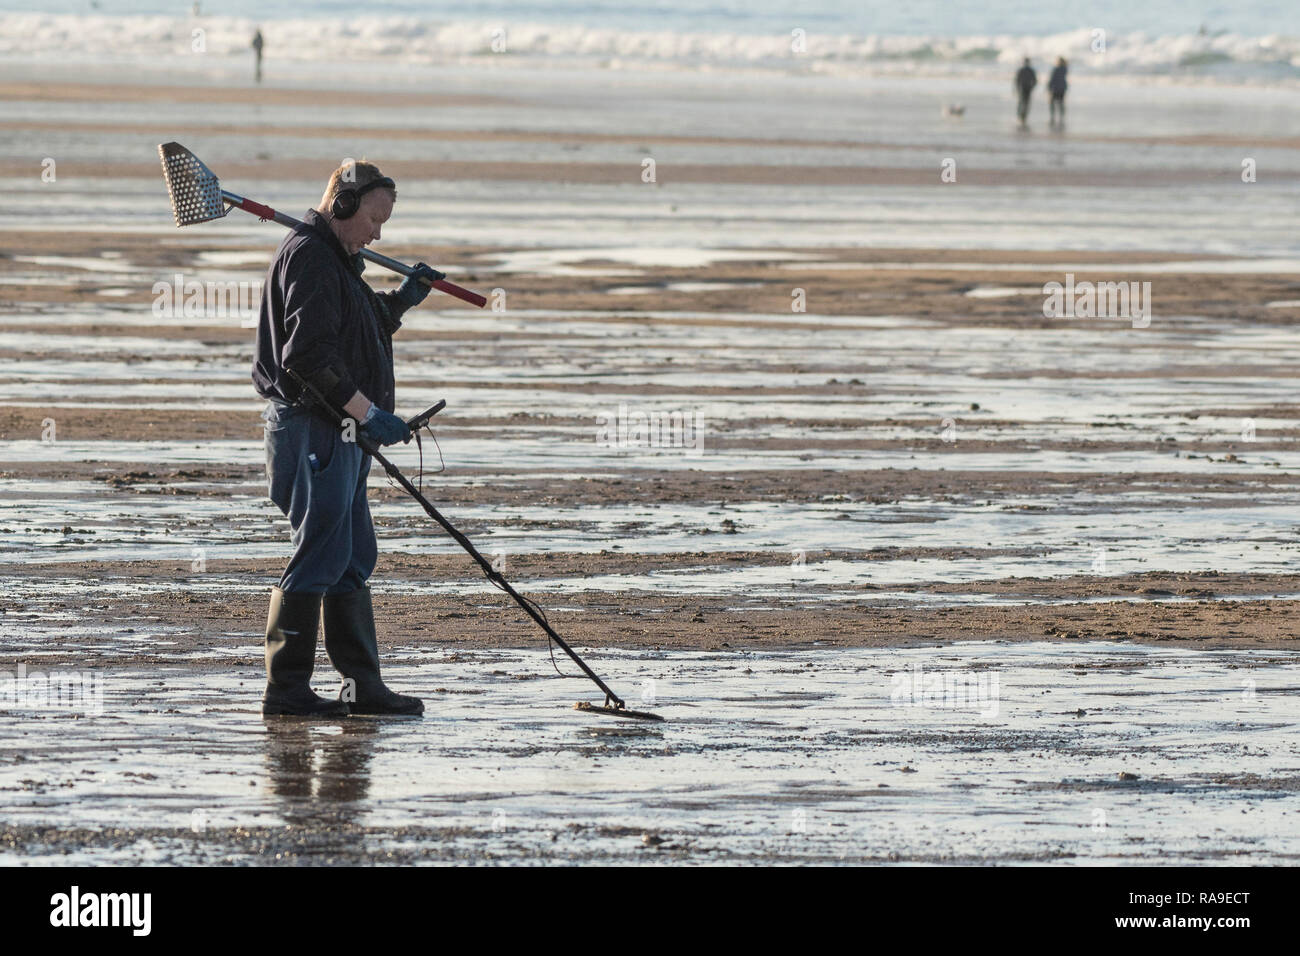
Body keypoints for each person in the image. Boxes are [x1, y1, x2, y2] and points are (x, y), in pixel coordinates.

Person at [252, 160, 444, 717]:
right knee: (321, 552)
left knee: (354, 554)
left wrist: (398, 304)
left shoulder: (339, 260)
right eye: (374, 219)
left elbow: (349, 327)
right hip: (313, 428)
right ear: (342, 205)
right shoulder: (310, 257)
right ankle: (285, 690)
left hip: (341, 432)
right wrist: (369, 414)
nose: (379, 233)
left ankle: (362, 687)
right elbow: (308, 357)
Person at [1015, 57, 1037, 126]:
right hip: (1027, 88)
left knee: (1021, 102)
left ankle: (1021, 116)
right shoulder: (1030, 70)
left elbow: (1017, 80)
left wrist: (1017, 88)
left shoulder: (1022, 70)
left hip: (1023, 88)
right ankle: (1023, 117)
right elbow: (1035, 81)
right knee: (1025, 103)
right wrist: (1032, 87)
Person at [1048, 57, 1068, 126]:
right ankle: (1061, 117)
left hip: (1055, 89)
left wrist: (1049, 88)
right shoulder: (1065, 69)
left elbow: (1052, 79)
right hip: (1062, 89)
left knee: (1052, 103)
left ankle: (1053, 117)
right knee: (1061, 103)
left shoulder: (1056, 69)